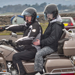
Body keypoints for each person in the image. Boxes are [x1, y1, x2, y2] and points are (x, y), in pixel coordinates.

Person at [6, 7, 42, 75]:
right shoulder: (28, 25)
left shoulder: (35, 25)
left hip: (34, 49)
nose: (26, 18)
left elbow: (30, 38)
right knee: (12, 50)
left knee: (16, 56)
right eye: (25, 16)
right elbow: (19, 27)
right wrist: (5, 28)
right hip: (28, 47)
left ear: (33, 17)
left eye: (28, 16)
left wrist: (17, 42)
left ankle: (21, 73)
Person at [33, 4, 64, 75]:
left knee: (39, 54)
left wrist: (41, 42)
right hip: (50, 44)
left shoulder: (56, 25)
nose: (47, 16)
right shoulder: (52, 23)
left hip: (53, 46)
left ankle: (40, 72)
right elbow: (47, 35)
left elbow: (53, 38)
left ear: (54, 14)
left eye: (49, 14)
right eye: (47, 14)